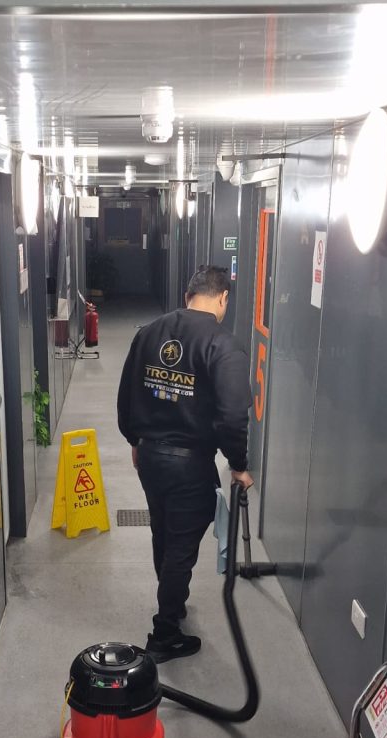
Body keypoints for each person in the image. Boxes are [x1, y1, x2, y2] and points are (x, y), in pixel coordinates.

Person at [117, 265, 253, 663]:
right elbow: (232, 416)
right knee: (180, 544)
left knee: (164, 530)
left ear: (187, 294)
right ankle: (165, 633)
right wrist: (239, 465)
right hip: (189, 463)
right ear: (223, 298)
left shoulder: (148, 333)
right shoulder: (224, 346)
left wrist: (134, 440)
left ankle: (172, 604)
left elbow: (126, 394)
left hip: (150, 457)